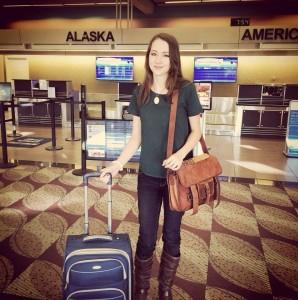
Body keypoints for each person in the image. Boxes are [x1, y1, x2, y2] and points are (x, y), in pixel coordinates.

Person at [99, 32, 202, 299]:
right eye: (154, 53)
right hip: (147, 177)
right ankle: (142, 287)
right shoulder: (139, 93)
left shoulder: (187, 90)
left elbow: (196, 132)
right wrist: (117, 164)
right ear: (148, 57)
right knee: (146, 235)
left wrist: (180, 155)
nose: (158, 59)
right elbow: (136, 138)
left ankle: (164, 287)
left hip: (177, 178)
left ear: (173, 58)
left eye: (165, 54)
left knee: (171, 234)